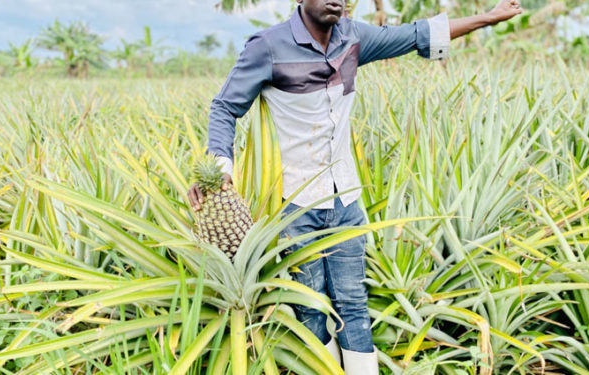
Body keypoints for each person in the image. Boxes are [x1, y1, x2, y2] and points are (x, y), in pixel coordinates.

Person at [188, 0, 523, 373]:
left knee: (353, 305)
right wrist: (220, 169)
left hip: (345, 198)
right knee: (311, 309)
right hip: (295, 205)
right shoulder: (267, 47)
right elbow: (224, 107)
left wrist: (489, 17)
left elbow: (416, 35)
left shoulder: (353, 36)